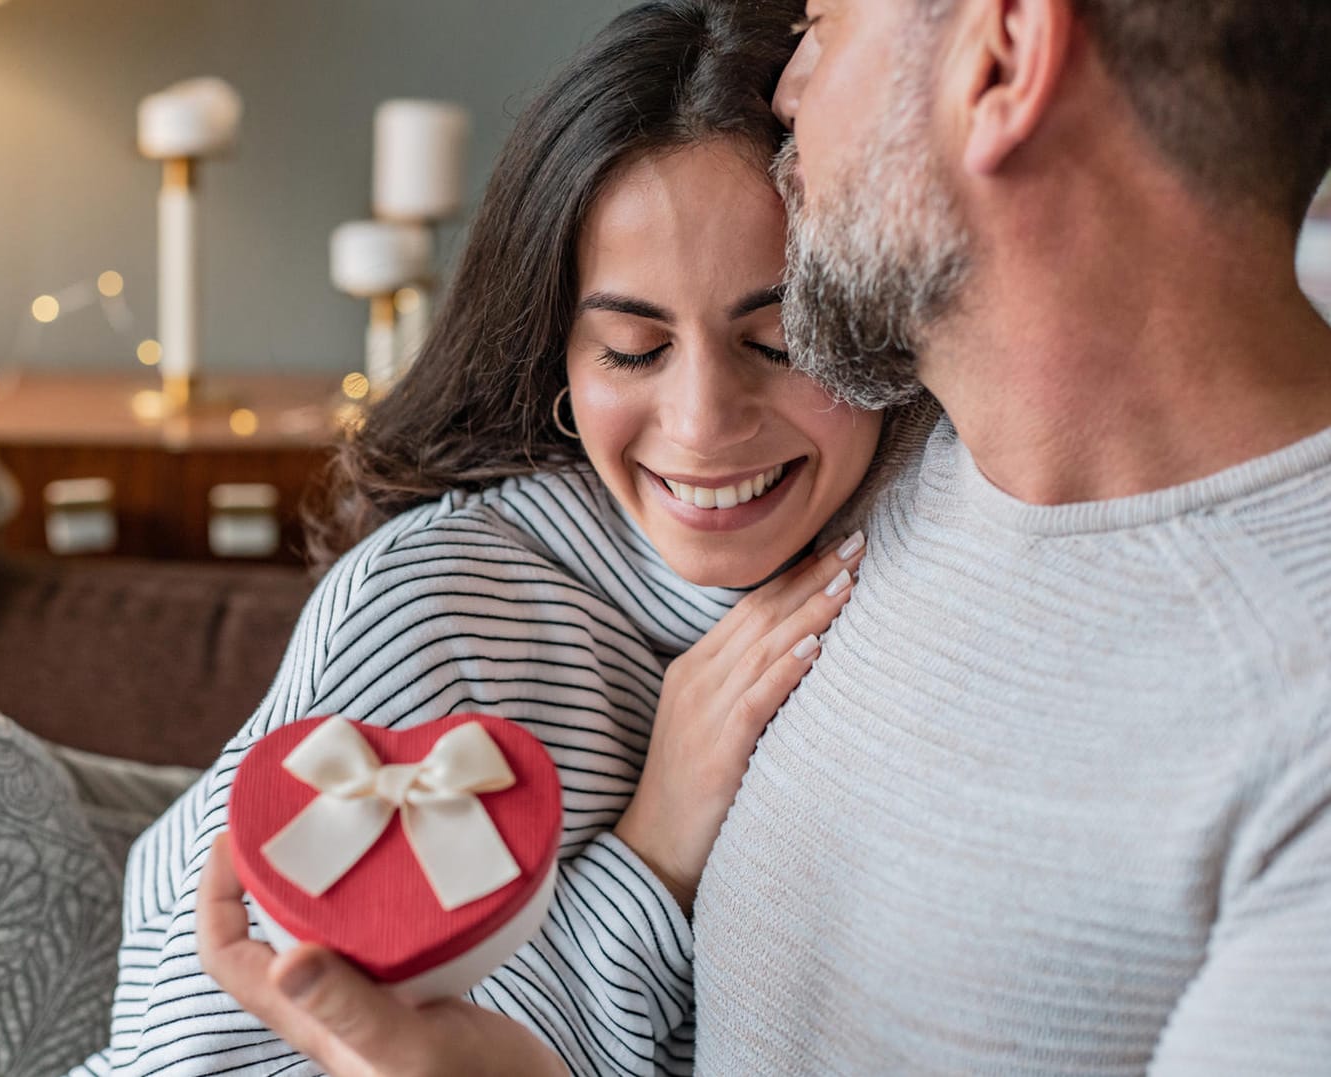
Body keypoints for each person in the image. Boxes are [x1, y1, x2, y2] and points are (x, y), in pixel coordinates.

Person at [202, 0, 1331, 1073]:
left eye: (830, 22)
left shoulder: (1287, 735)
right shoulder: (888, 457)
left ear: (1002, 56)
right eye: (635, 350)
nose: (786, 82)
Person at [68, 2, 886, 1074]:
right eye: (633, 350)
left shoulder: (912, 528)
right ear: (559, 366)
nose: (700, 423)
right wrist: (654, 849)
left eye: (779, 340)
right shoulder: (436, 612)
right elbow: (195, 1055)